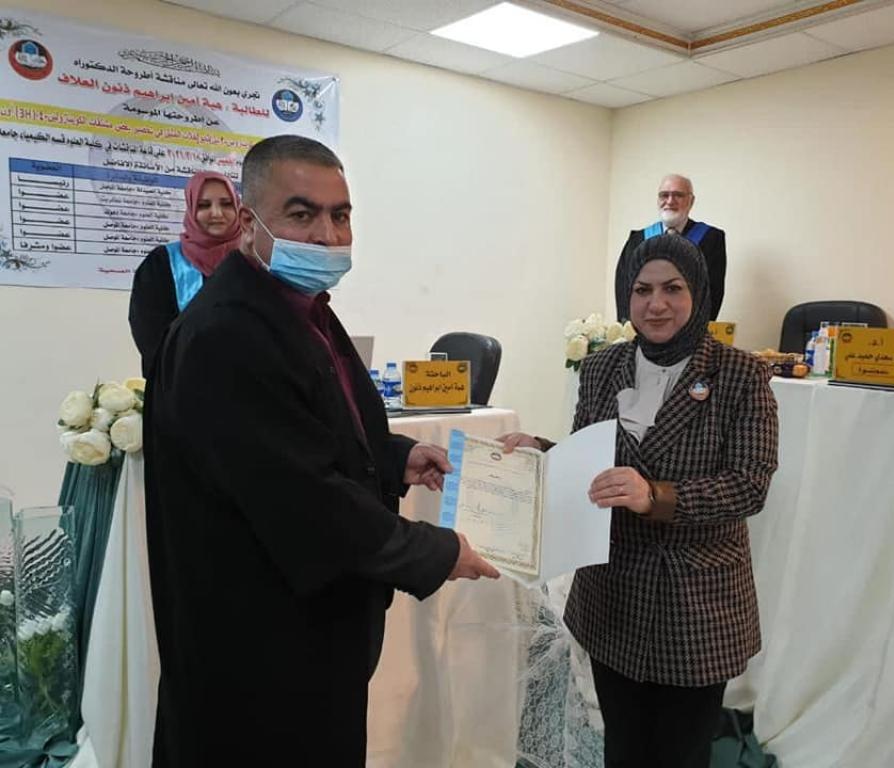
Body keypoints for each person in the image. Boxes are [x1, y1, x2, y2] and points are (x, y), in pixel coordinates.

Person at [143, 135, 499, 767]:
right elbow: (304, 497)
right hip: (261, 639)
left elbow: (318, 424)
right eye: (302, 214)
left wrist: (394, 456)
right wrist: (438, 551)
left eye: (341, 215)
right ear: (249, 222)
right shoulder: (226, 332)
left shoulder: (300, 309)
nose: (328, 236)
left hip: (313, 627)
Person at [504, 234, 777, 768]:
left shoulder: (741, 375)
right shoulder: (601, 368)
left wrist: (655, 496)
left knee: (681, 753)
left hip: (695, 604)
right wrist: (541, 452)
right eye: (642, 290)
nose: (656, 304)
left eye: (672, 289)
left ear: (698, 292)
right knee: (624, 748)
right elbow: (592, 464)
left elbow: (750, 484)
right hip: (614, 595)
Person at [128, 170, 241, 374]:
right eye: (204, 205)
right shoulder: (161, 263)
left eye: (226, 204)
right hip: (181, 381)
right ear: (191, 209)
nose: (217, 213)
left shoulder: (254, 260)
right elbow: (149, 332)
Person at [614, 174, 727, 322]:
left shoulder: (711, 238)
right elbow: (624, 288)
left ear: (691, 201)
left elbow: (713, 291)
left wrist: (698, 328)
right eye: (664, 195)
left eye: (678, 195)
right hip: (646, 325)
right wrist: (628, 326)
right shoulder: (638, 239)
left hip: (689, 327)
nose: (670, 201)